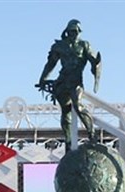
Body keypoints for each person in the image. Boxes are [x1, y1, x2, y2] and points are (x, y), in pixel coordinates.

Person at [36, 19, 101, 149]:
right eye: (72, 31)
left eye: (76, 32)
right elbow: (50, 64)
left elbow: (93, 61)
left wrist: (96, 65)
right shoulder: (59, 46)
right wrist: (42, 79)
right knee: (65, 112)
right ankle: (68, 140)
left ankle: (92, 134)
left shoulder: (84, 45)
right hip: (63, 81)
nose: (74, 34)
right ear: (67, 31)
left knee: (78, 105)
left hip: (76, 81)